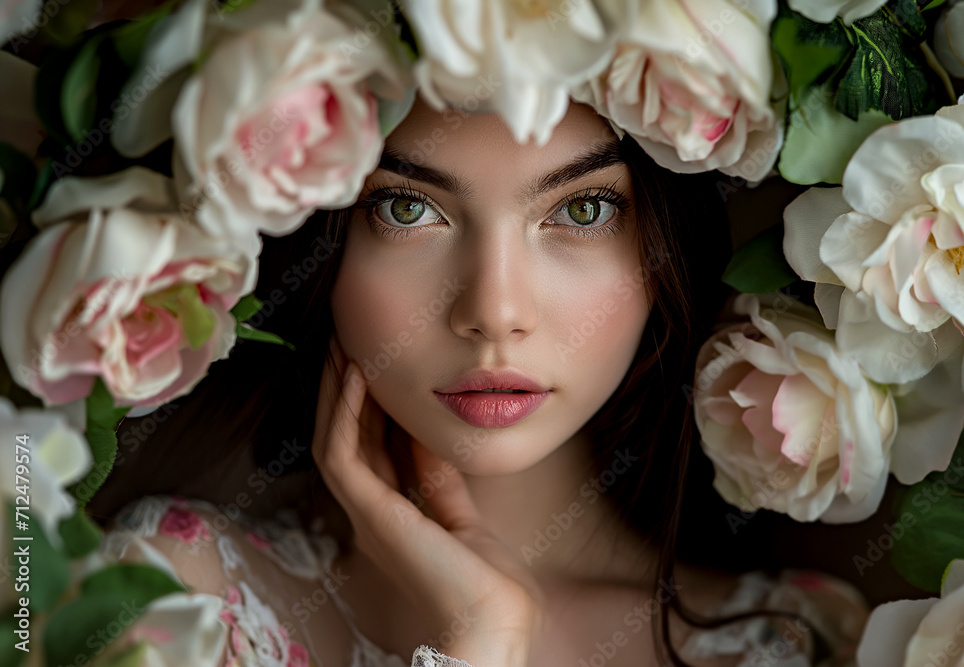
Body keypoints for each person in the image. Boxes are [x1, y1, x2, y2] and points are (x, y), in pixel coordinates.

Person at [91, 95, 870, 666]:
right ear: (320, 242)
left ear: (666, 245)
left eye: (585, 207)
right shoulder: (181, 602)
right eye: (405, 208)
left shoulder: (796, 640)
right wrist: (479, 641)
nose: (494, 311)